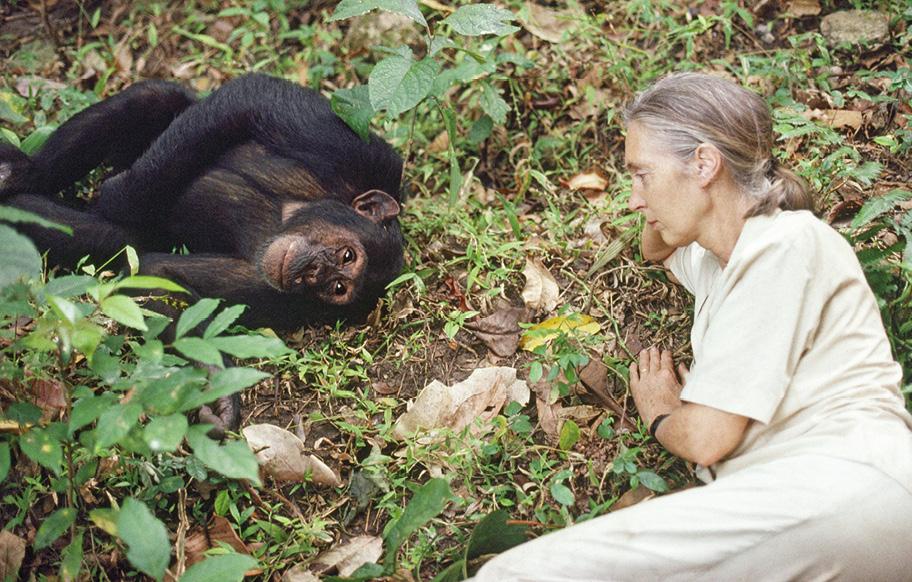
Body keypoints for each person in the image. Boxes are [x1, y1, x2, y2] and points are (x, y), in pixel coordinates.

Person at [471, 72, 912, 581]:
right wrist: (666, 191)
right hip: (810, 508)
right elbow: (653, 250)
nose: (634, 200)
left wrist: (660, 413)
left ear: (704, 163)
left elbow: (706, 437)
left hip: (842, 485)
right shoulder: (720, 262)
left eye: (641, 175)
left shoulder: (787, 244)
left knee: (522, 574)